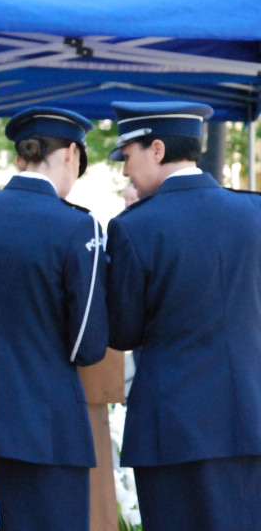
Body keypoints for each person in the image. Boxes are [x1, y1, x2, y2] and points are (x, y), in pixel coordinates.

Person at [106, 100, 261, 531]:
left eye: (128, 156)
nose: (124, 171)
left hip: (172, 429)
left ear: (157, 149)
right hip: (251, 418)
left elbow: (122, 332)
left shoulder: (134, 227)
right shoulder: (254, 213)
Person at [0, 107, 108, 531]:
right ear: (72, 155)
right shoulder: (78, 228)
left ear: (21, 155)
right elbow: (88, 346)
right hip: (50, 430)